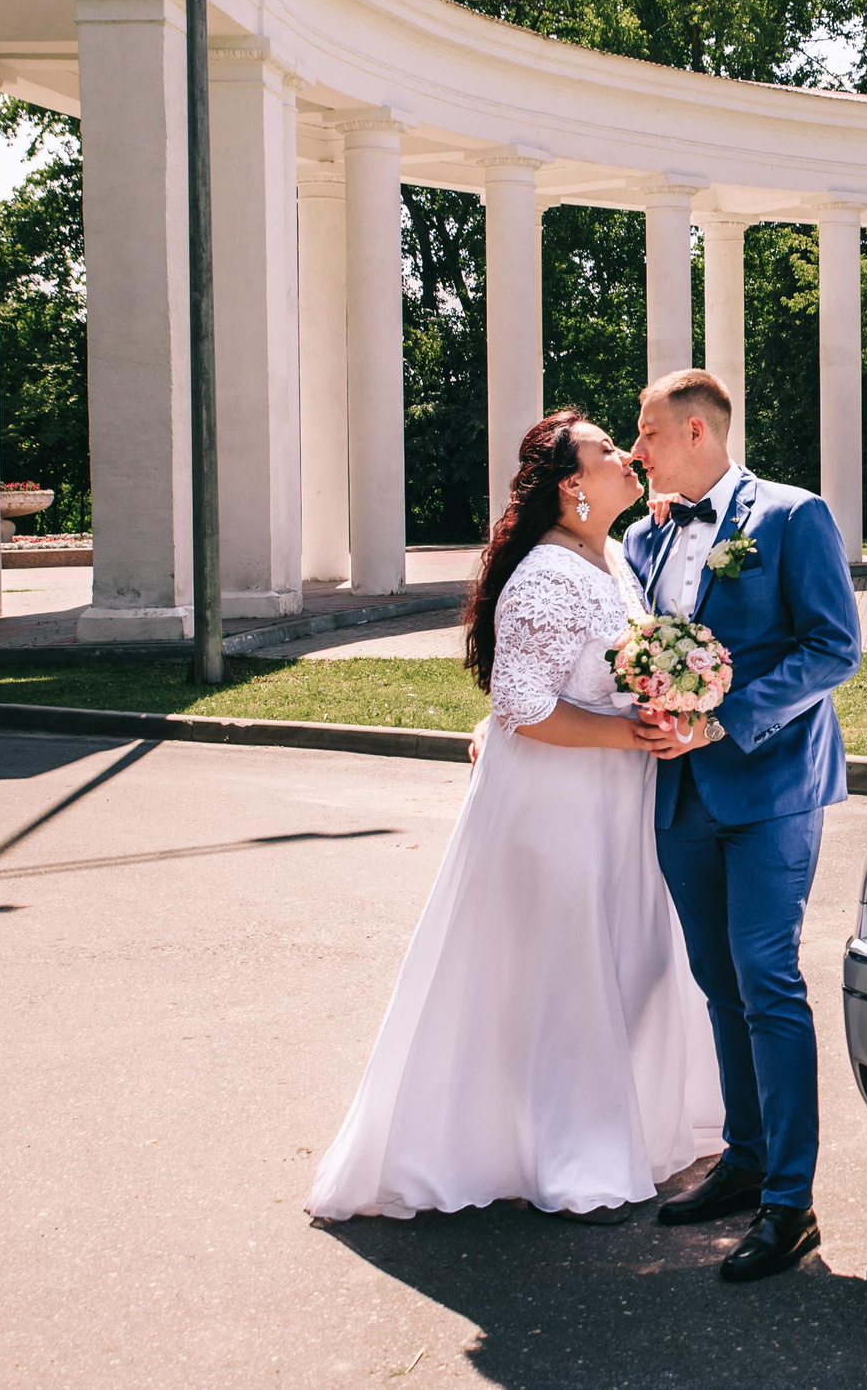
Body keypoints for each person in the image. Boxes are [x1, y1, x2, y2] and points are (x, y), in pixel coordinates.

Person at [306, 412, 723, 1224]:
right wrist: (629, 735)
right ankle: (572, 1162)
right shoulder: (544, 575)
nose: (628, 454)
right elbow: (522, 706)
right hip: (555, 807)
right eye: (608, 450)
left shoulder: (611, 557)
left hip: (615, 803)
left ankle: (615, 1129)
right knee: (567, 978)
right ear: (572, 484)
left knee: (621, 964)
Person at [624, 369, 862, 1283]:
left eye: (647, 433)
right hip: (680, 794)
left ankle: (790, 1201)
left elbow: (832, 646)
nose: (637, 450)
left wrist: (720, 721)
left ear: (695, 431)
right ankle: (747, 1157)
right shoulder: (643, 536)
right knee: (718, 979)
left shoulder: (794, 516)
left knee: (766, 974)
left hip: (771, 787)